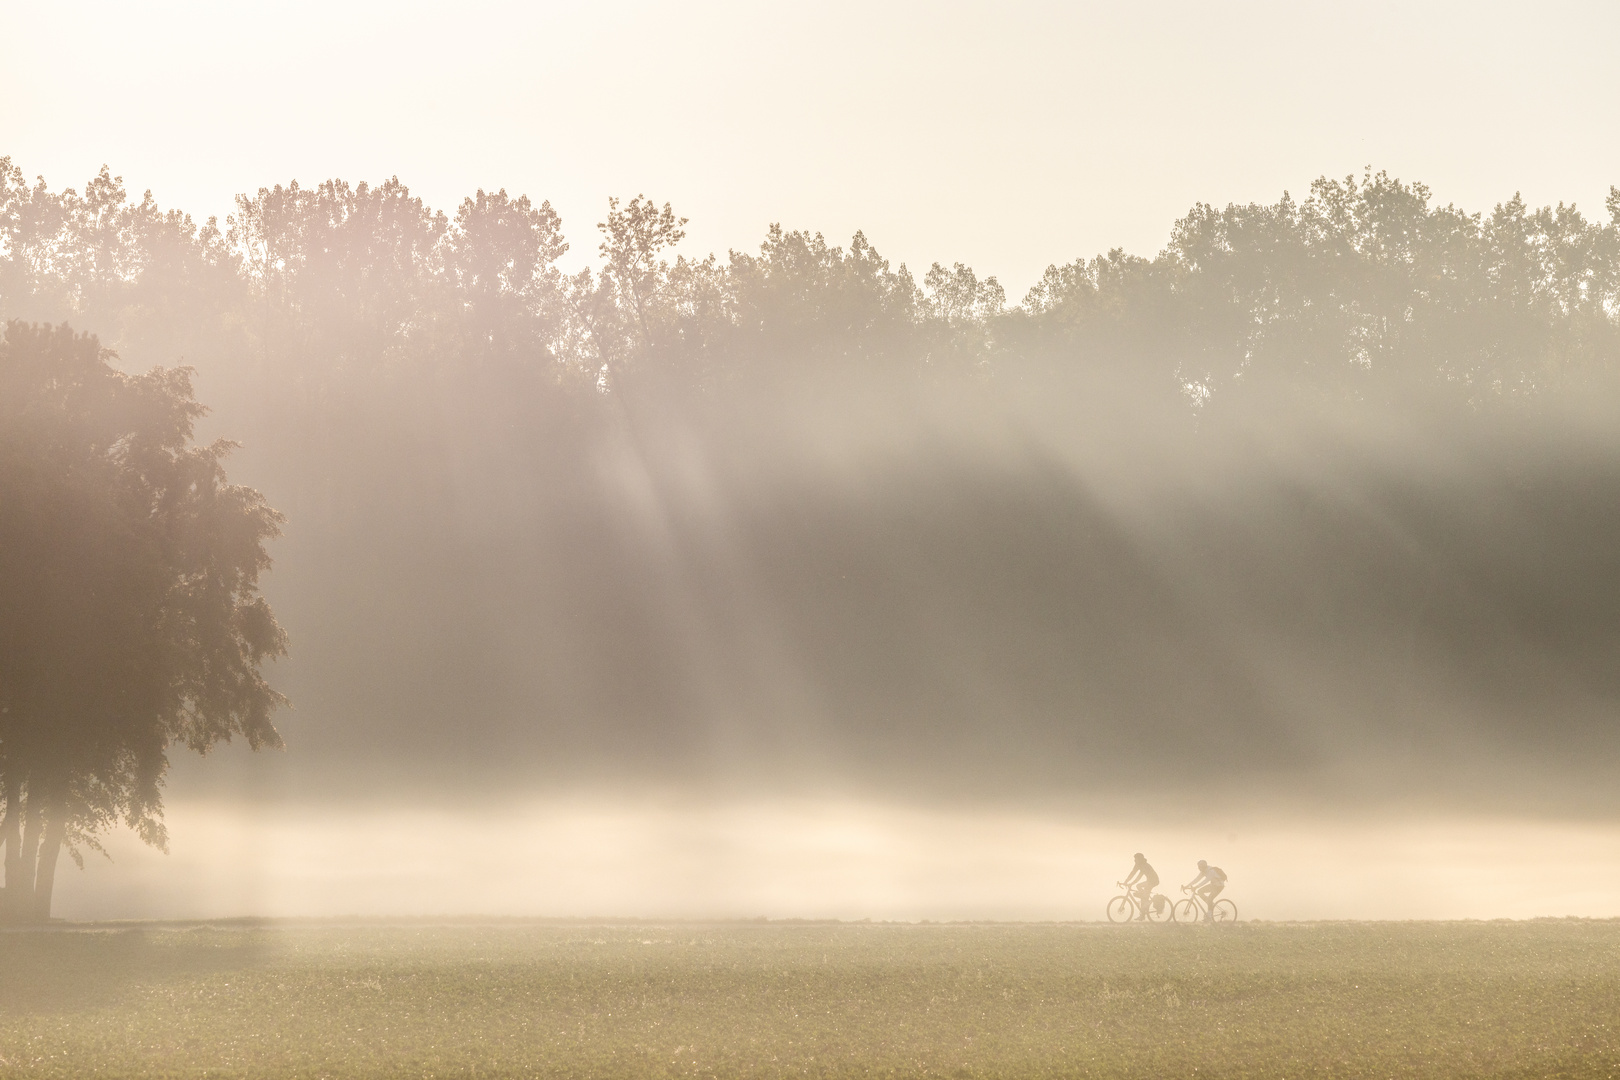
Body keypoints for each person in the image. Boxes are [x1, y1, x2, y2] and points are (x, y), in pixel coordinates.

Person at [1122, 853, 1159, 921]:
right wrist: (1126, 881)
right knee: (1142, 895)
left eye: (1136, 859)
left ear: (1140, 859)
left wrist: (1131, 883)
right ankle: (1145, 900)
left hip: (1154, 881)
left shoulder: (1144, 866)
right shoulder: (1138, 865)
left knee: (1139, 886)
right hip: (1149, 881)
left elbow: (1139, 877)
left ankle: (1145, 903)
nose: (1134, 860)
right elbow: (1132, 873)